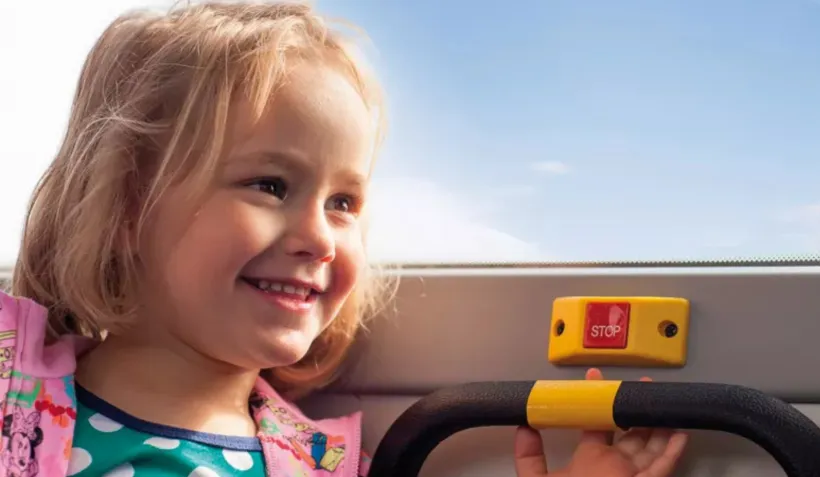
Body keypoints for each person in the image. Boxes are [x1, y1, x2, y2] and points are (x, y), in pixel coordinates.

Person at [0, 2, 687, 476]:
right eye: (270, 185)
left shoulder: (316, 462)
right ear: (124, 203)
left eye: (344, 202)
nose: (319, 236)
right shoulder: (10, 390)